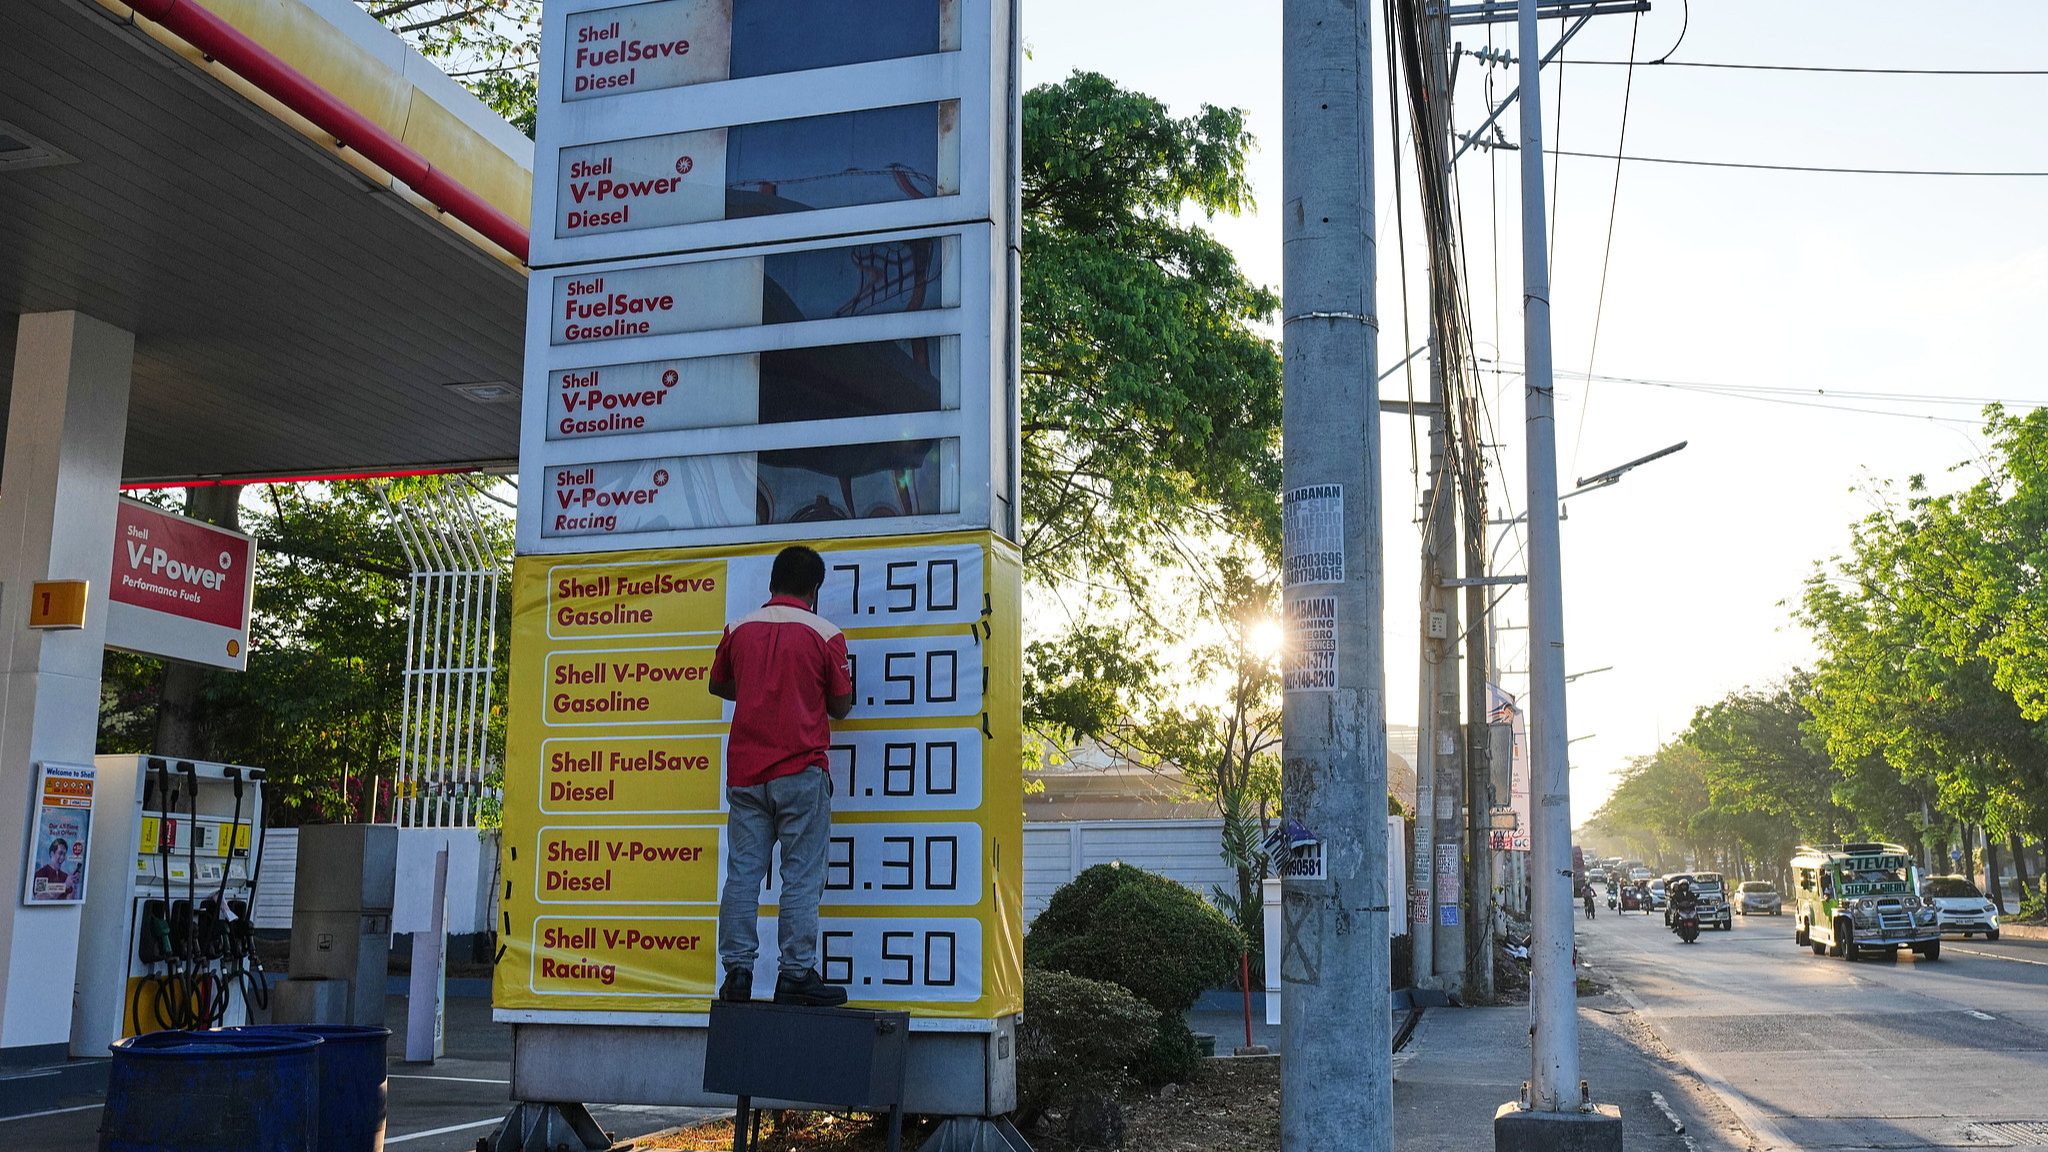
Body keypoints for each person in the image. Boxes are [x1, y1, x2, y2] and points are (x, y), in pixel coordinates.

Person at [708, 545, 854, 1007]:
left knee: (743, 876)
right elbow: (842, 705)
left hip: (747, 775)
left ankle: (737, 974)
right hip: (801, 771)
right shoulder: (826, 635)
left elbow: (717, 684)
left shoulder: (738, 629)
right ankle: (795, 973)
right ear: (814, 589)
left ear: (771, 583)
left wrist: (755, 692)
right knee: (801, 878)